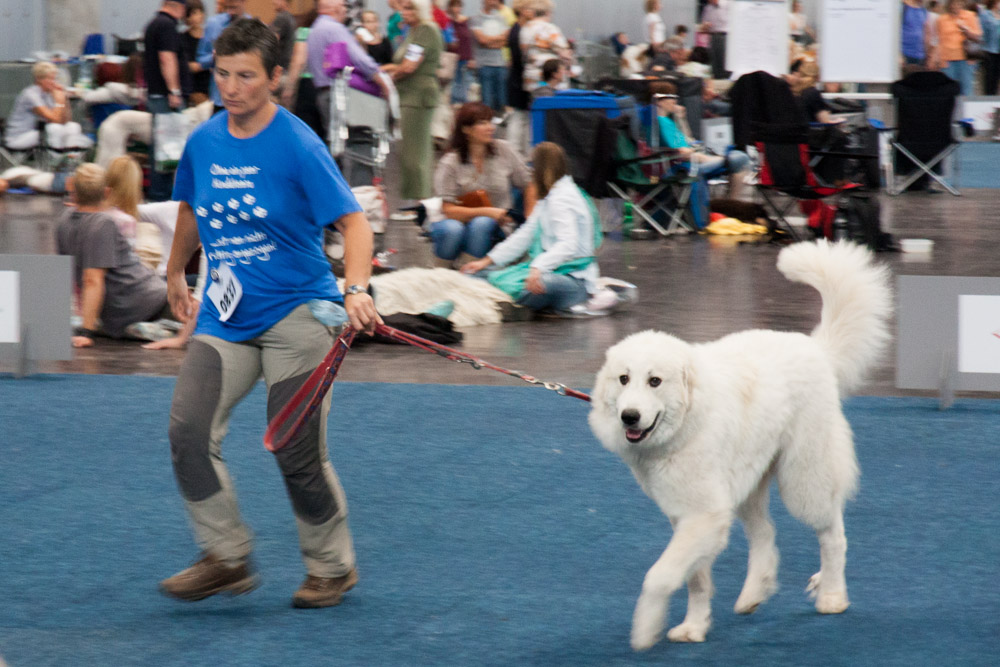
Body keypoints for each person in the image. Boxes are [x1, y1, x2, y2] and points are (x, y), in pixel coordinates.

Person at [158, 18, 381, 608]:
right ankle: (226, 556)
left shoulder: (299, 143)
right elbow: (191, 208)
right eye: (223, 74)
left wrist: (356, 288)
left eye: (246, 76)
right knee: (187, 431)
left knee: (294, 448)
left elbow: (355, 223)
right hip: (224, 317)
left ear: (277, 77)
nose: (231, 87)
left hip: (299, 316)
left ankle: (333, 567)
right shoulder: (204, 140)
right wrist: (176, 269)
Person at [460, 142, 600, 315]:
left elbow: (568, 244)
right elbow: (525, 235)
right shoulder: (550, 197)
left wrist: (538, 268)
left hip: (574, 279)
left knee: (540, 284)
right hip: (551, 269)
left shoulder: (562, 199)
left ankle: (515, 306)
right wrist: (487, 261)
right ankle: (514, 302)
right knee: (476, 274)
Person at [55, 163, 185, 348]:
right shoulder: (103, 223)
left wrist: (81, 320)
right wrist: (86, 331)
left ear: (72, 188)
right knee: (202, 315)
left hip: (125, 305)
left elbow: (65, 274)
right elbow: (93, 279)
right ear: (107, 193)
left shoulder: (63, 220)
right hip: (145, 300)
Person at [430, 102, 535, 265]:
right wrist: (489, 211)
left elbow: (529, 184)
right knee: (452, 229)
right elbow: (448, 210)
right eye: (482, 123)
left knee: (481, 224)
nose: (491, 127)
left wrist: (530, 219)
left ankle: (469, 274)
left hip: (498, 227)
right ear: (466, 129)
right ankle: (439, 275)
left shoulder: (504, 150)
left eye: (490, 121)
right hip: (458, 223)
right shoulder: (450, 162)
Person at [651, 82, 751, 228]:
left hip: (691, 162)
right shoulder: (662, 122)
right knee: (740, 159)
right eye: (670, 97)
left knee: (736, 158)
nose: (675, 100)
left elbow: (688, 141)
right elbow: (684, 153)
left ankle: (728, 206)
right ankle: (731, 206)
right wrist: (717, 159)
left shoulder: (667, 121)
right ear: (659, 101)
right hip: (686, 167)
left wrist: (681, 118)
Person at [383, 0, 443, 201]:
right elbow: (402, 63)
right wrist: (377, 71)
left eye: (409, 8)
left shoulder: (425, 30)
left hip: (418, 96)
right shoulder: (415, 31)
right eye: (403, 8)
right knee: (412, 151)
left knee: (414, 154)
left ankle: (417, 203)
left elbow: (409, 67)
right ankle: (417, 200)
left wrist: (389, 77)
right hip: (409, 96)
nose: (403, 12)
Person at [307, 0, 388, 140]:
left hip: (322, 93)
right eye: (344, 5)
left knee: (334, 141)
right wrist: (382, 81)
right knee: (353, 143)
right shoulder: (334, 28)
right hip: (340, 94)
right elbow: (360, 59)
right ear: (335, 8)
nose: (346, 10)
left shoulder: (315, 28)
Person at [143, 0, 194, 202]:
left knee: (160, 147)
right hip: (165, 97)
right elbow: (167, 58)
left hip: (157, 95)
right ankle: (161, 197)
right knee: (166, 149)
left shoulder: (154, 23)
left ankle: (159, 195)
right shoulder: (166, 25)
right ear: (178, 6)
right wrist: (174, 91)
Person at [4, 61, 92, 152]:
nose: (54, 82)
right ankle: (53, 161)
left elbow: (65, 121)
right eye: (50, 79)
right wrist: (59, 101)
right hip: (19, 137)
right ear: (39, 79)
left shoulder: (48, 94)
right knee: (54, 129)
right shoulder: (30, 94)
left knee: (73, 126)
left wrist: (64, 99)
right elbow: (55, 119)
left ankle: (69, 159)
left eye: (55, 79)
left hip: (38, 133)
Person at [197, 0, 252, 113]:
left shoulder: (253, 27)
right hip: (219, 98)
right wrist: (213, 57)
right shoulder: (213, 24)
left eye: (234, 7)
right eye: (227, 7)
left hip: (244, 98)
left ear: (244, 2)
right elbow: (201, 58)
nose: (230, 12)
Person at [519, 0, 570, 93]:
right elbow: (564, 54)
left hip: (531, 77)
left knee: (536, 104)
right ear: (547, 12)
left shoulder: (525, 28)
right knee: (551, 104)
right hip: (550, 78)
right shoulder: (549, 28)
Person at [470, 0, 511, 115]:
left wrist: (490, 41)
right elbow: (482, 40)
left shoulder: (501, 19)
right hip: (484, 65)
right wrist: (497, 39)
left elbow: (505, 41)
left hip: (500, 64)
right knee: (486, 102)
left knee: (501, 101)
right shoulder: (476, 19)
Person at [936, 0, 982, 95]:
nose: (956, 6)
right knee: (947, 90)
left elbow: (977, 36)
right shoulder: (942, 19)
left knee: (966, 90)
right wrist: (940, 59)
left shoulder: (970, 16)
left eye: (958, 3)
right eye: (953, 4)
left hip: (965, 59)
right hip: (947, 60)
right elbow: (939, 40)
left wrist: (966, 29)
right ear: (949, 5)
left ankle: (967, 109)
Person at [181, 0, 211, 106]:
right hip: (195, 89)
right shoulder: (183, 38)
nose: (193, 18)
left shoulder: (210, 36)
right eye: (189, 15)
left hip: (213, 88)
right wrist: (211, 62)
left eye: (196, 13)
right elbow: (189, 66)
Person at [447, 0, 475, 105]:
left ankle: (463, 107)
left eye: (459, 6)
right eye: (454, 6)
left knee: (465, 85)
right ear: (450, 7)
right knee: (454, 85)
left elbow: (470, 41)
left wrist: (472, 58)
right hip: (452, 58)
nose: (457, 9)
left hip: (465, 59)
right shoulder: (448, 22)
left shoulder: (466, 21)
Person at [699, 0, 729, 79]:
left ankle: (726, 77)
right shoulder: (708, 8)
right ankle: (717, 77)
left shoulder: (728, 4)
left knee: (724, 58)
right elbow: (703, 24)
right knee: (714, 59)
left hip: (726, 35)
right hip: (713, 35)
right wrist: (705, 25)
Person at [979, 0, 1000, 94]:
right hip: (990, 51)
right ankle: (989, 99)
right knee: (990, 79)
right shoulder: (985, 15)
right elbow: (981, 33)